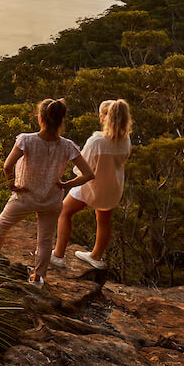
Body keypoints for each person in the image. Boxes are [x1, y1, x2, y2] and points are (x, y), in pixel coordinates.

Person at [0, 98, 93, 287]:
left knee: (2, 225)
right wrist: (66, 184)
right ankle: (38, 278)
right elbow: (88, 174)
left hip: (25, 197)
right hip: (51, 200)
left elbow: (7, 165)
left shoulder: (26, 140)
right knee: (45, 240)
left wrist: (12, 185)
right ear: (61, 120)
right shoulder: (67, 145)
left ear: (40, 118)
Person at [52, 98, 133, 271]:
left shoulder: (96, 141)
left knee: (64, 212)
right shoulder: (126, 140)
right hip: (112, 187)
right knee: (104, 221)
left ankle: (58, 255)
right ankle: (96, 256)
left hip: (91, 185)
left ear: (105, 118)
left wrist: (69, 181)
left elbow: (83, 168)